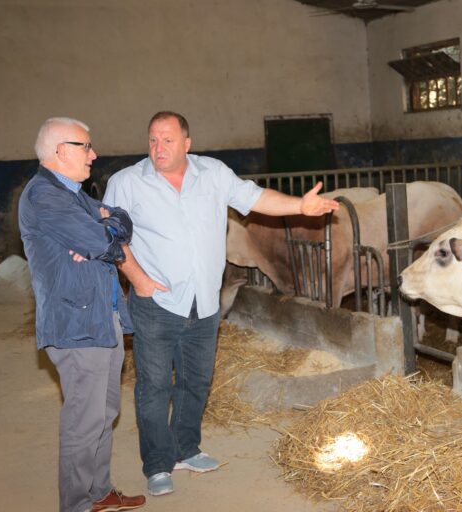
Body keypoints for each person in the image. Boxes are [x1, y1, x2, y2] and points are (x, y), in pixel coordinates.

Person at [103, 111, 339, 496]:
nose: (158, 148)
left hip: (204, 301)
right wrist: (139, 281)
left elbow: (256, 197)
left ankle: (187, 448)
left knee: (196, 381)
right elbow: (113, 237)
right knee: (154, 386)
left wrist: (300, 206)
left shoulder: (212, 173)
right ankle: (159, 464)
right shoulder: (127, 183)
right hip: (157, 302)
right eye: (152, 140)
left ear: (187, 143)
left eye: (167, 140)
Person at [19, 117, 146, 512]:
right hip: (76, 324)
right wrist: (100, 231)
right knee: (83, 420)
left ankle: (98, 491)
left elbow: (123, 220)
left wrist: (105, 226)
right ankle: (76, 504)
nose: (94, 154)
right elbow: (103, 243)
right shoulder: (45, 194)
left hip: (103, 317)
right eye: (85, 147)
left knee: (104, 412)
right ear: (60, 151)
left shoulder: (73, 193)